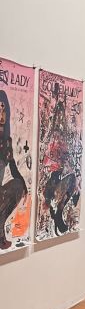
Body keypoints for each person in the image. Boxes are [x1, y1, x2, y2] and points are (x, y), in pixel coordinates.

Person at [0, 90, 28, 250]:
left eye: (3, 109)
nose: (1, 114)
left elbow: (12, 166)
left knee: (18, 185)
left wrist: (24, 186)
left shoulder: (6, 142)